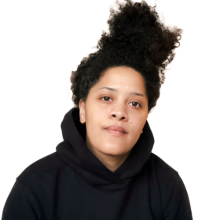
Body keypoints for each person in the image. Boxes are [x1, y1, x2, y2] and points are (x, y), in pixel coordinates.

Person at [1, 0, 193, 219]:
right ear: (82, 109)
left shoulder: (166, 186)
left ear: (145, 117)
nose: (119, 112)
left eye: (135, 103)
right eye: (106, 98)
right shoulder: (35, 186)